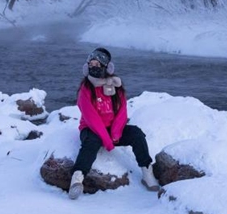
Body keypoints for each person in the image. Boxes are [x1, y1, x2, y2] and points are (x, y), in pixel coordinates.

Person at [69, 47, 160, 199]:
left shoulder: (116, 87)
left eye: (97, 64)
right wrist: (107, 140)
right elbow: (92, 119)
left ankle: (147, 171)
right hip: (91, 129)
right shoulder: (85, 89)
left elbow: (122, 112)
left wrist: (116, 134)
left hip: (113, 131)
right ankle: (77, 178)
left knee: (136, 133)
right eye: (90, 64)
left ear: (106, 67)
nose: (93, 67)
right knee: (92, 141)